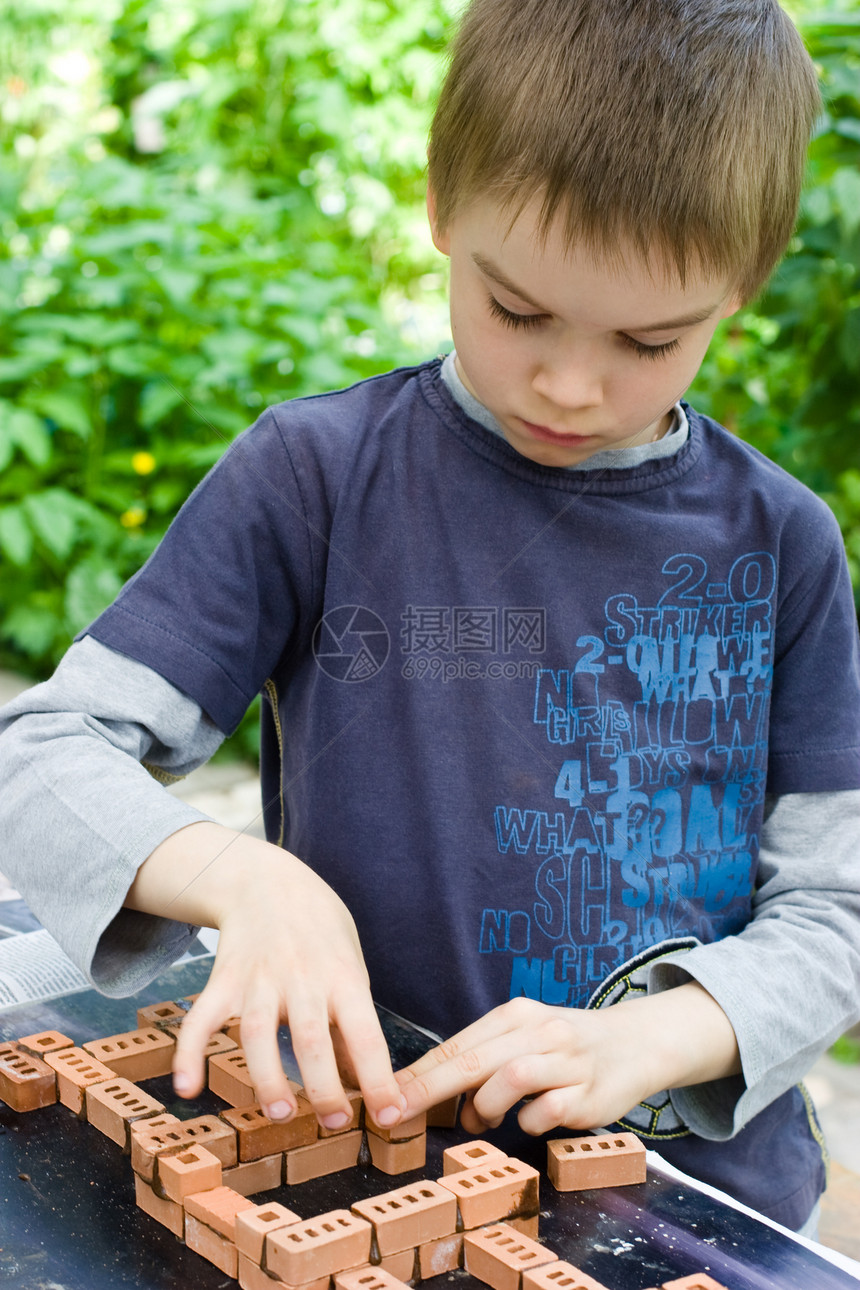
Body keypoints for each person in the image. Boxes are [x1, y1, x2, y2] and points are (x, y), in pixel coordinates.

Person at [1, 0, 858, 1236]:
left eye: (650, 340)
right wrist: (239, 876)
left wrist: (668, 1031)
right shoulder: (317, 479)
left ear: (741, 284)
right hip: (369, 1173)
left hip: (693, 1204)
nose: (569, 383)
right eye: (516, 312)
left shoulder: (782, 546)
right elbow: (42, 751)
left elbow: (833, 908)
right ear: (440, 212)